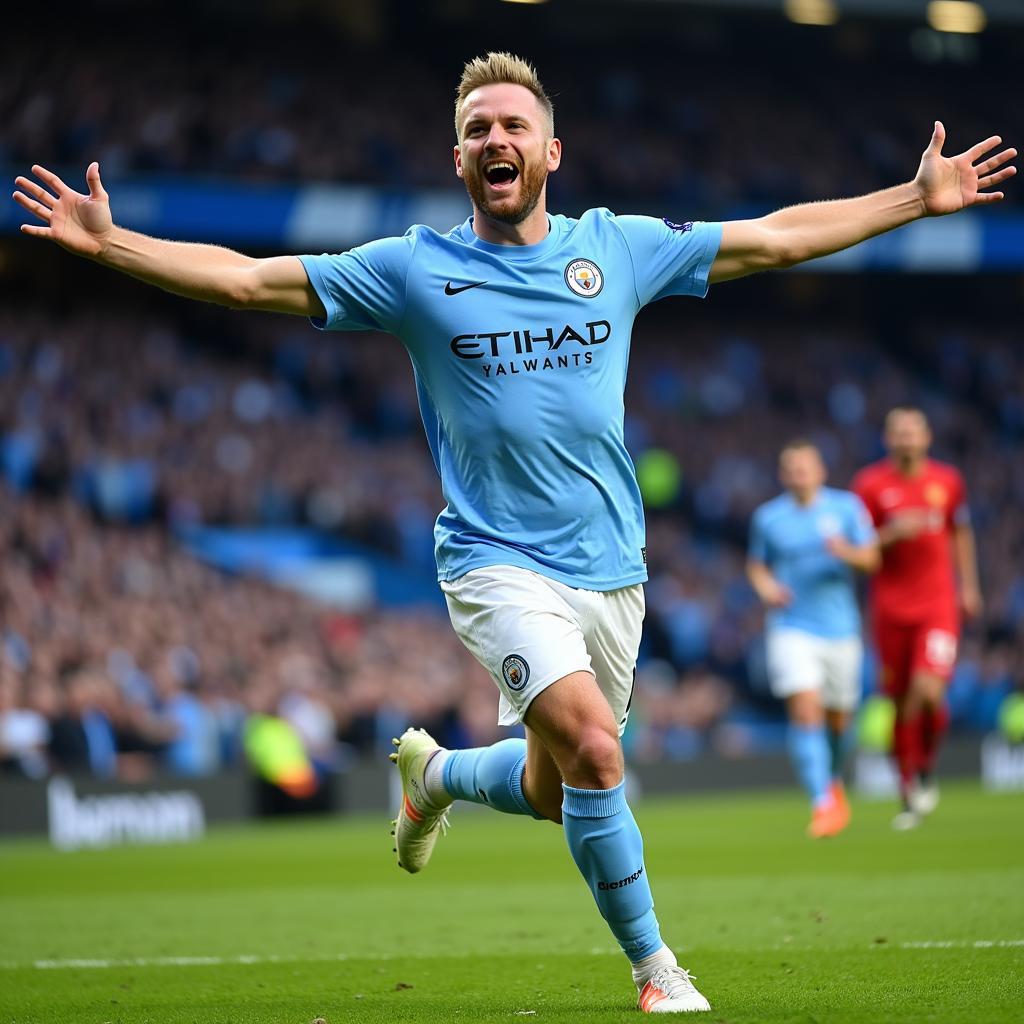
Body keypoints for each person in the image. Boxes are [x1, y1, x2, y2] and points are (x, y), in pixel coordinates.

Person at [13, 50, 1014, 1014]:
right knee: (596, 751)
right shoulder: (413, 269)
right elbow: (246, 281)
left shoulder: (615, 246)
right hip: (494, 564)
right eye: (476, 129)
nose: (495, 138)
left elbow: (773, 237)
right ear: (458, 160)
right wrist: (114, 244)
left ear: (550, 152)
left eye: (512, 125)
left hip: (612, 569)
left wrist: (909, 199)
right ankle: (657, 966)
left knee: (551, 785)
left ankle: (437, 775)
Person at [852, 408, 983, 831]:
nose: (907, 439)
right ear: (888, 439)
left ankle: (925, 765)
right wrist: (891, 534)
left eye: (913, 432)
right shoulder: (869, 486)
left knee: (928, 692)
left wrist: (969, 586)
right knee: (899, 702)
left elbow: (960, 532)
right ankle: (909, 785)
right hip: (890, 609)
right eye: (899, 433)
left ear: (926, 437)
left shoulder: (947, 481)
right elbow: (861, 552)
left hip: (937, 604)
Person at [747, 441, 879, 839]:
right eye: (791, 468)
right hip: (791, 627)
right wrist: (767, 588)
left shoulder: (846, 508)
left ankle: (832, 780)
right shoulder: (769, 518)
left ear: (820, 471)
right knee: (806, 710)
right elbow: (756, 564)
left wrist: (847, 553)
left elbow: (872, 559)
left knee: (839, 719)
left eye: (805, 467)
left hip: (840, 630)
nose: (798, 474)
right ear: (782, 475)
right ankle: (822, 802)